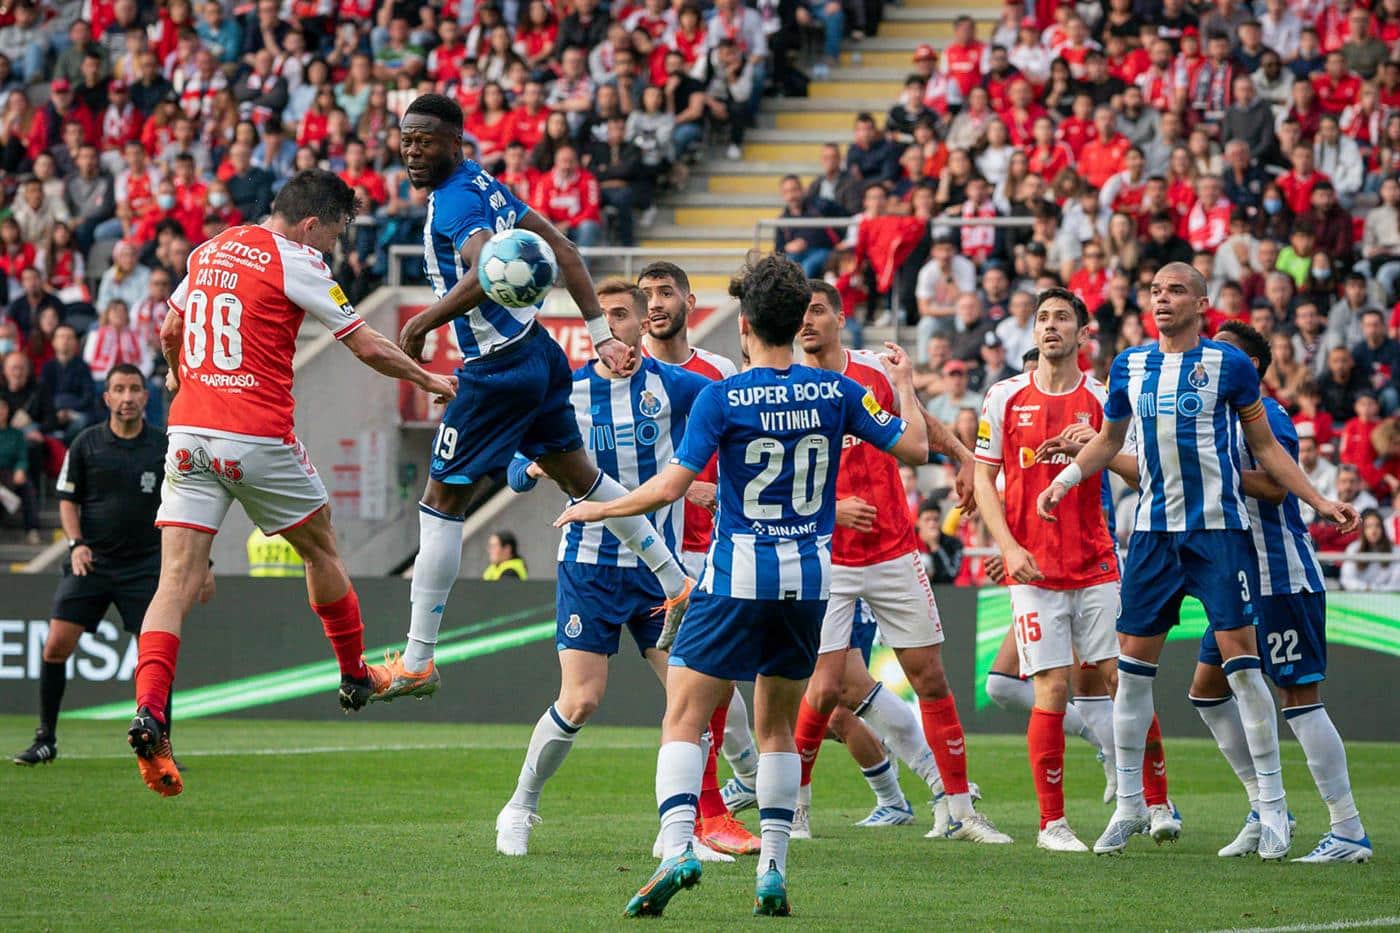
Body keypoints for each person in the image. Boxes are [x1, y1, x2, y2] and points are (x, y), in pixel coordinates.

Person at [554, 255, 931, 918]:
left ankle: (678, 847)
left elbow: (670, 487)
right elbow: (916, 450)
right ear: (795, 320)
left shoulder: (723, 397)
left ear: (746, 325)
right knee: (777, 726)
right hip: (808, 583)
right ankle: (773, 868)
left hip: (735, 576)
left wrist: (599, 506)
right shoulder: (838, 391)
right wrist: (907, 386)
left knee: (684, 714)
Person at [127, 170, 457, 797]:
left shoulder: (212, 248)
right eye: (335, 233)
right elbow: (366, 345)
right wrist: (429, 379)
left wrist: (175, 375)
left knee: (175, 581)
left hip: (189, 432)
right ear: (311, 224)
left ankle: (150, 713)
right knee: (321, 547)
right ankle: (355, 673)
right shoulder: (297, 259)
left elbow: (171, 331)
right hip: (256, 435)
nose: (335, 247)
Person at [1039, 262, 1358, 859]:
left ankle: (1273, 809)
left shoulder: (1229, 366)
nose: (1162, 299)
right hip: (1153, 536)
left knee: (1243, 671)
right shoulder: (1129, 365)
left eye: (1176, 290)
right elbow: (1109, 441)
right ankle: (1130, 804)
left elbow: (1266, 450)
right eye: (1155, 291)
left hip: (1219, 534)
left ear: (1202, 303)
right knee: (1132, 671)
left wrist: (1318, 500)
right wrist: (1066, 478)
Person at [391, 94, 694, 705]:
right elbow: (567, 252)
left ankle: (418, 659)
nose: (413, 152)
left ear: (456, 142)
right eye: (407, 141)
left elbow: (483, 269)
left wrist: (424, 321)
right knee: (583, 479)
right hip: (540, 354)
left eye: (425, 140)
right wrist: (601, 335)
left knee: (441, 501)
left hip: (498, 368)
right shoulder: (486, 184)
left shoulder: (456, 201)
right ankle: (674, 578)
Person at [495, 279, 711, 856]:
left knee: (695, 700)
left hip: (659, 571)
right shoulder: (566, 392)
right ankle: (520, 806)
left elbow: (731, 414)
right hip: (588, 565)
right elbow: (512, 468)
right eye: (603, 316)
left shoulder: (677, 386)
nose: (609, 325)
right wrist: (534, 468)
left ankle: (682, 831)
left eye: (620, 314)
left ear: (641, 325)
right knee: (581, 700)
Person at [790, 279, 1009, 843]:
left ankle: (959, 811)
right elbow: (777, 480)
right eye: (800, 313)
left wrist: (961, 456)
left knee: (929, 676)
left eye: (818, 311)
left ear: (841, 319)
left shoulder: (875, 371)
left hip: (893, 550)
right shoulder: (785, 386)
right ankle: (794, 809)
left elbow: (917, 429)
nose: (807, 321)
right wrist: (832, 509)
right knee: (823, 689)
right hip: (826, 556)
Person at [975, 289, 1176, 850]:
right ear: (1033, 332)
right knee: (1051, 686)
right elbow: (982, 480)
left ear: (1083, 333)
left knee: (1123, 680)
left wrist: (1101, 448)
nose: (1051, 326)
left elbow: (1143, 474)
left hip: (1096, 563)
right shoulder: (1003, 397)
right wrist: (1009, 548)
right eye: (1043, 318)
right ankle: (1052, 825)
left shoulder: (1105, 398)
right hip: (1033, 570)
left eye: (1063, 318)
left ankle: (1158, 803)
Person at [1190, 322, 1372, 864]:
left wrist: (1215, 470)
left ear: (1246, 366)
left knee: (1299, 699)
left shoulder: (1265, 414)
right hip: (1236, 580)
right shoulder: (1211, 419)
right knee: (1206, 692)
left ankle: (1348, 829)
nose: (1208, 357)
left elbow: (1273, 489)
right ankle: (1266, 806)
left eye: (1221, 351)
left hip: (1280, 575)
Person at [13, 365, 212, 767]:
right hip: (94, 563)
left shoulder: (163, 446)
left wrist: (203, 563)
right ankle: (45, 739)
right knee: (55, 645)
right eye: (119, 389)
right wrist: (75, 545)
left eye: (134, 389)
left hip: (146, 567)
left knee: (155, 654)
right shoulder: (86, 443)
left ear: (145, 397)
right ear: (106, 398)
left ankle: (161, 747)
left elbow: (190, 504)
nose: (127, 397)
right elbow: (68, 500)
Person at [637, 259, 761, 857]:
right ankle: (703, 815)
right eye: (647, 295)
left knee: (715, 689)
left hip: (711, 544)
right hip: (648, 549)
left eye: (666, 293)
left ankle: (726, 797)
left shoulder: (719, 372)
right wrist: (689, 489)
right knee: (695, 691)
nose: (656, 304)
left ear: (689, 302)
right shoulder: (625, 372)